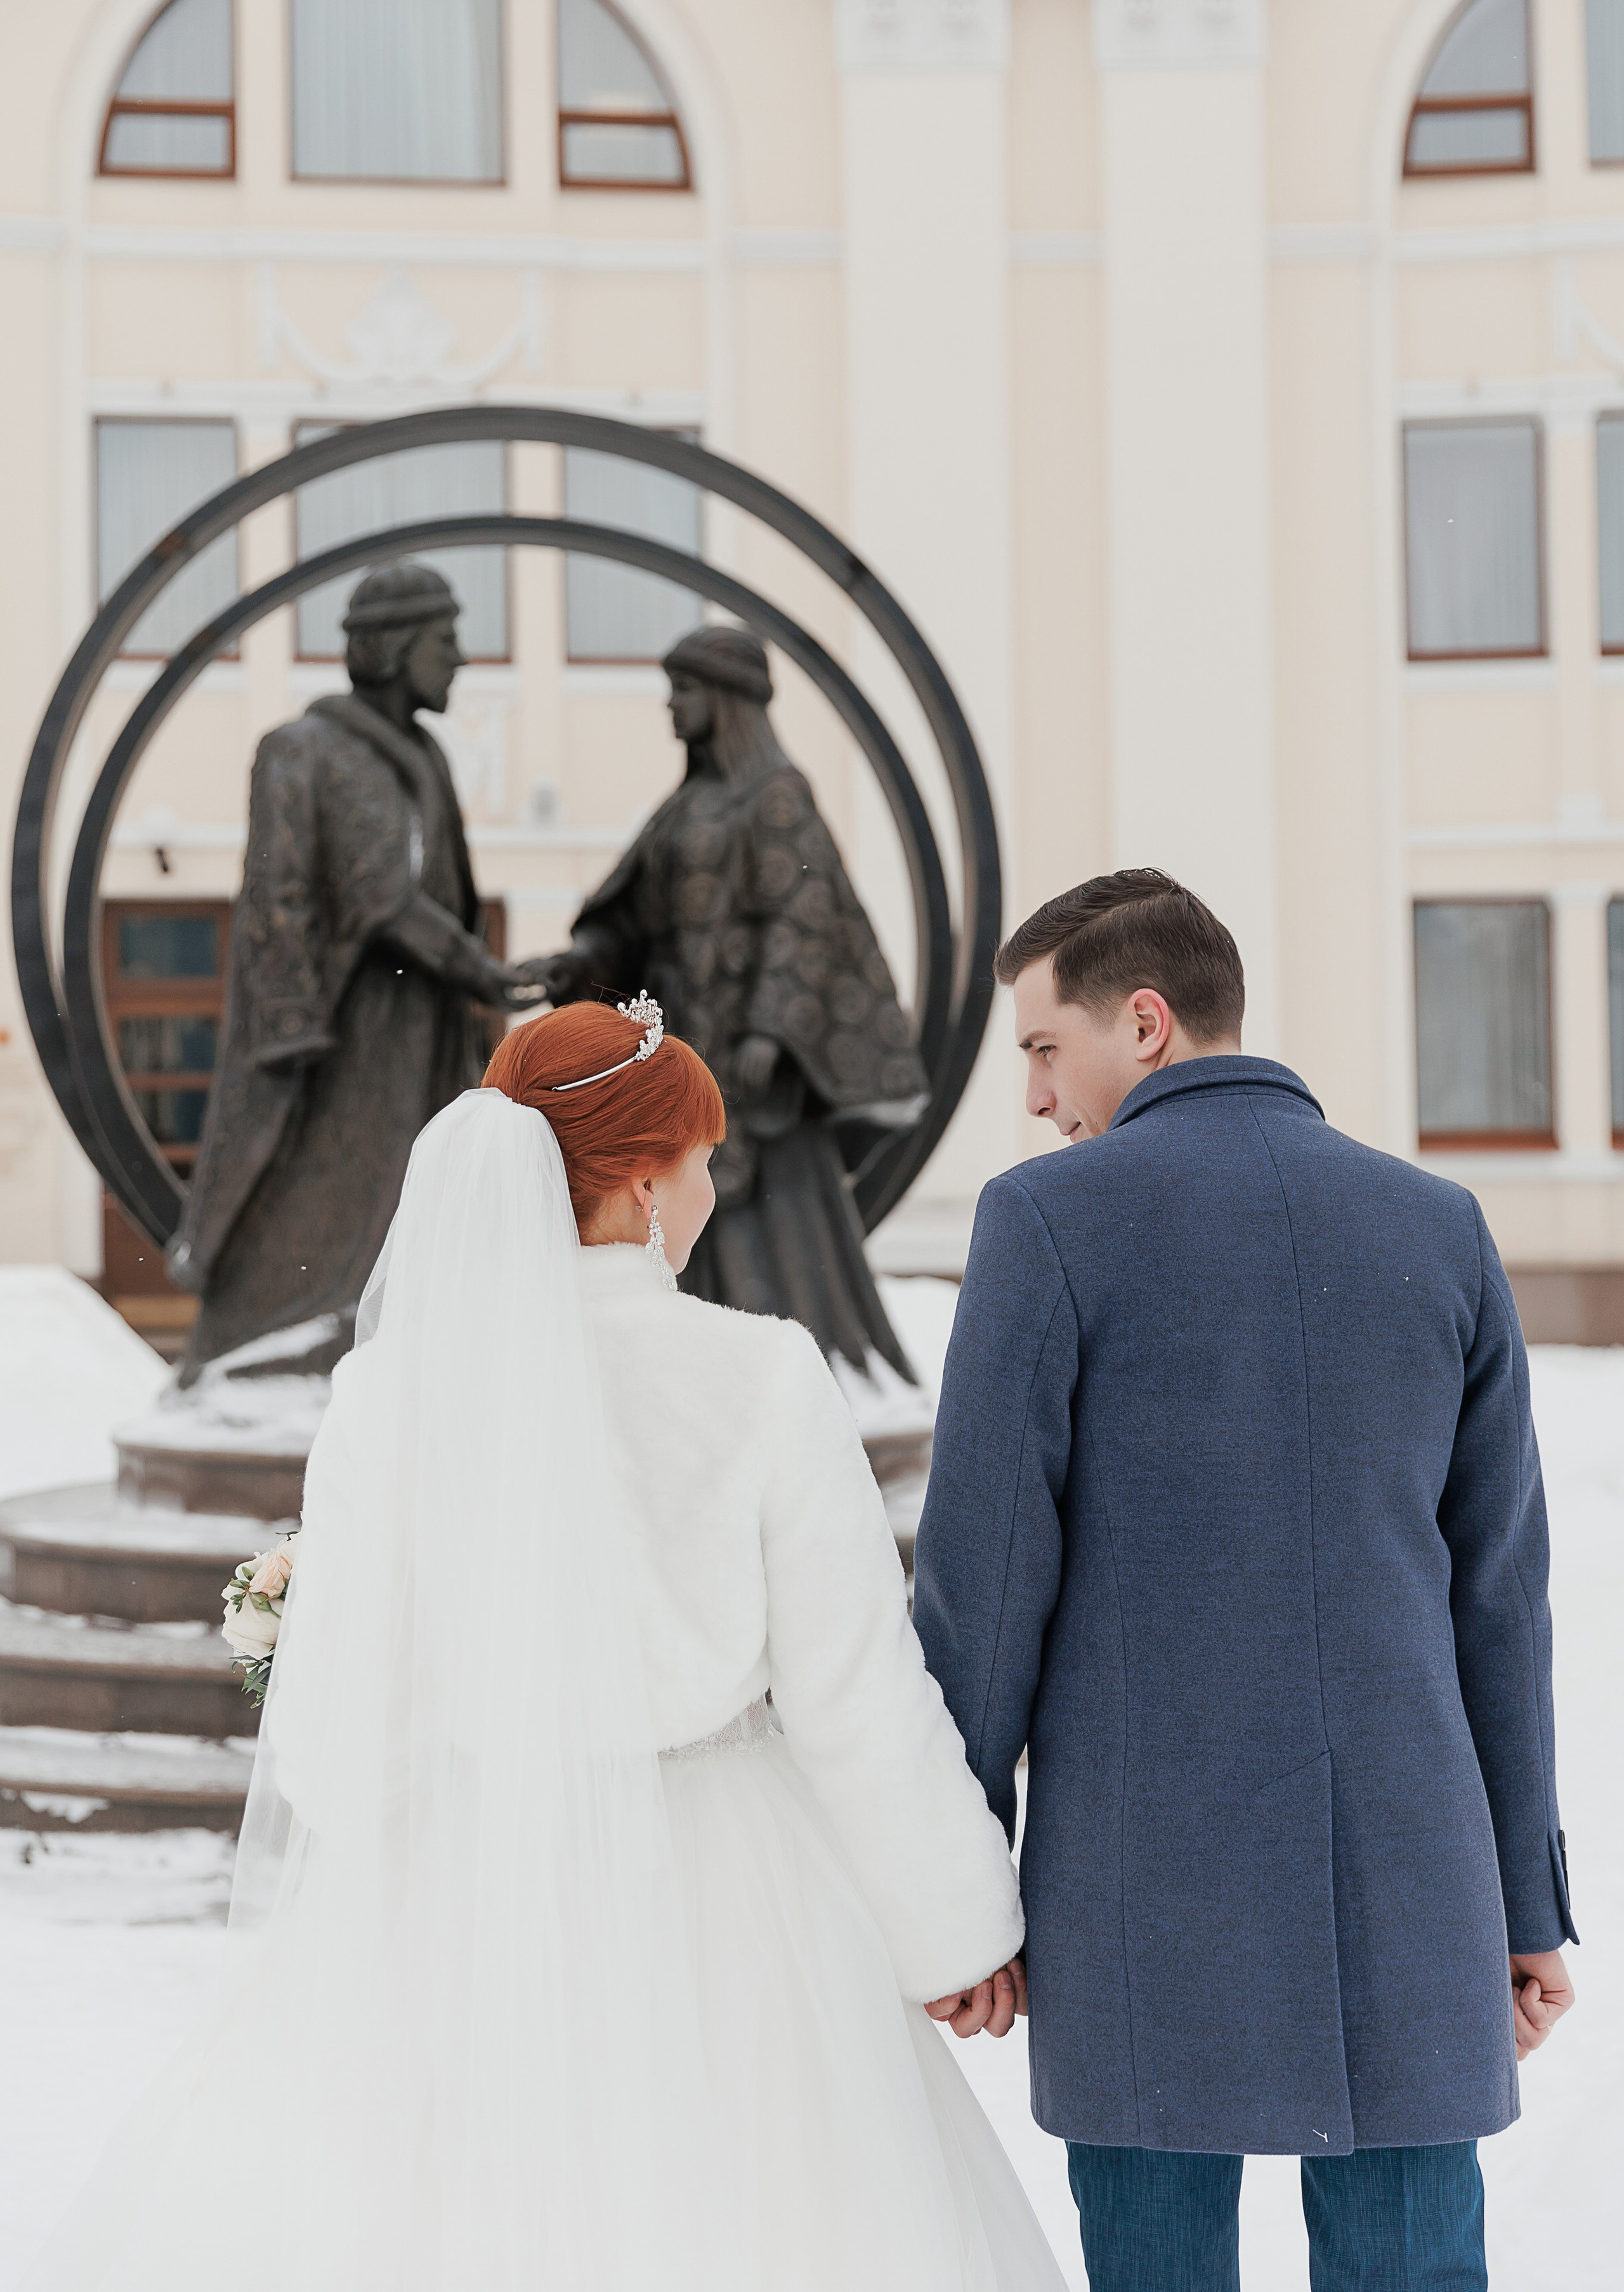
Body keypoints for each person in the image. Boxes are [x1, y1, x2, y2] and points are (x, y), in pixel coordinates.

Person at [35, 998, 1065, 2292]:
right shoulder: (760, 1377)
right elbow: (854, 1700)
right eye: (700, 1161)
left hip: (464, 1890)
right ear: (643, 1182)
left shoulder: (390, 1390)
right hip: (725, 1894)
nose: (709, 1188)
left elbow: (341, 1738)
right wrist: (955, 1930)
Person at [914, 869, 1576, 2292]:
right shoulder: (1440, 1226)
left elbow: (982, 1597)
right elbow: (1498, 1606)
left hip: (1136, 1889)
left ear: (1140, 1023)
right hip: (1407, 1880)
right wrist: (1520, 1902)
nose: (1034, 1096)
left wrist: (952, 1892)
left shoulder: (1043, 1225)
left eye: (1042, 1047)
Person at [168, 560, 544, 1382]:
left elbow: (434, 891)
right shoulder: (307, 750)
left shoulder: (423, 757)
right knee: (320, 1194)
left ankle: (392, 1338)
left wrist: (477, 978)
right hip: (341, 1040)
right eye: (444, 642)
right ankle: (253, 1347)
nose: (460, 660)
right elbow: (358, 896)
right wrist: (481, 971)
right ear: (390, 648)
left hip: (421, 1031)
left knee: (414, 1196)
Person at [535, 622, 926, 1381]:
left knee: (761, 1219)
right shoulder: (685, 807)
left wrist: (770, 1031)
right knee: (683, 1202)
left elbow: (802, 916)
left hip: (751, 1059)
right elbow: (633, 919)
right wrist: (580, 963)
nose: (671, 707)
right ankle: (693, 1353)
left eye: (683, 690)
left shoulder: (776, 794)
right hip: (685, 1039)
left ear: (726, 699)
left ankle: (792, 1361)